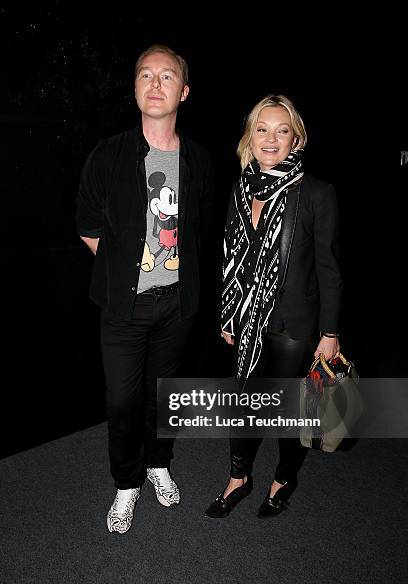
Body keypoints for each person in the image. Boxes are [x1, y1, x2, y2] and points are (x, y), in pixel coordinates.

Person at [76, 44, 214, 533]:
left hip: (177, 308)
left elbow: (199, 232)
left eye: (167, 76)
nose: (156, 84)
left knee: (163, 398)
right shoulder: (109, 155)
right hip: (122, 308)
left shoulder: (199, 161)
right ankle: (126, 485)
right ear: (135, 88)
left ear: (184, 91)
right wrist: (128, 275)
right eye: (146, 75)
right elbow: (89, 227)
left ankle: (158, 464)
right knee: (122, 402)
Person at [205, 94, 343, 519]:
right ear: (251, 136)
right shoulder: (241, 187)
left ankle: (283, 477)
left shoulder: (317, 193)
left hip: (293, 324)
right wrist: (230, 314)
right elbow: (230, 258)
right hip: (248, 321)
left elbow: (329, 269)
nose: (271, 138)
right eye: (262, 129)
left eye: (282, 130)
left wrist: (330, 332)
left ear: (295, 139)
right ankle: (238, 478)